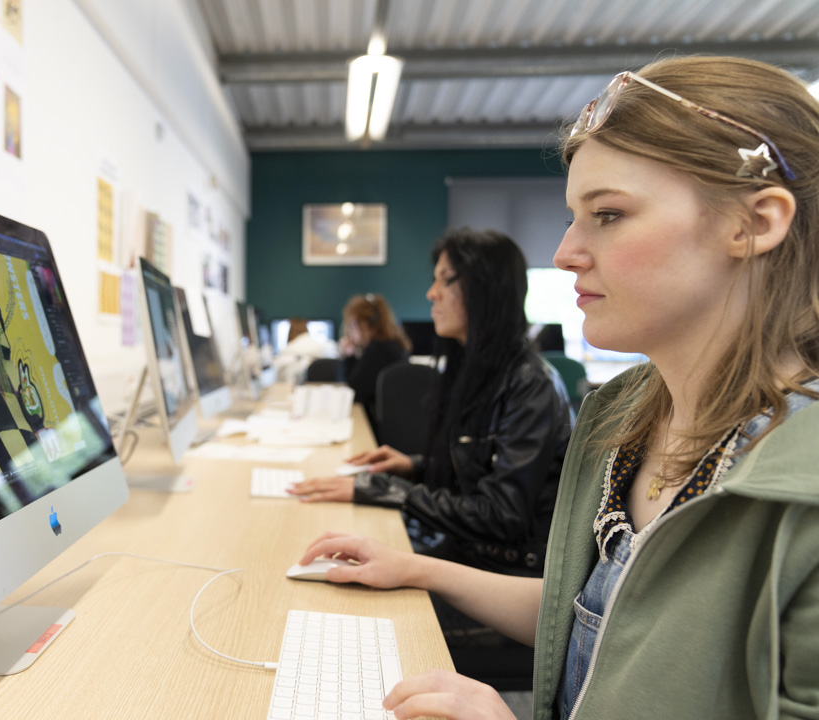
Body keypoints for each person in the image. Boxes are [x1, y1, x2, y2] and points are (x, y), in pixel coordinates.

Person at [296, 55, 819, 719]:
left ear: (755, 223)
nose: (565, 251)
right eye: (573, 215)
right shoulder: (627, 418)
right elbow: (599, 609)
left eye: (607, 214)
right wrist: (415, 568)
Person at [293, 228, 573, 581]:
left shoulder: (530, 385)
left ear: (484, 289)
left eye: (445, 280)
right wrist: (413, 466)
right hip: (468, 552)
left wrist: (386, 489)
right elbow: (482, 467)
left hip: (502, 573)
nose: (431, 293)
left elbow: (499, 514)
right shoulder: (475, 370)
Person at [339, 293, 410, 434]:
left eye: (352, 324)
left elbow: (354, 394)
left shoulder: (376, 351)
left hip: (379, 429)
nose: (350, 331)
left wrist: (348, 357)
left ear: (364, 324)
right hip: (397, 425)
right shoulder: (394, 345)